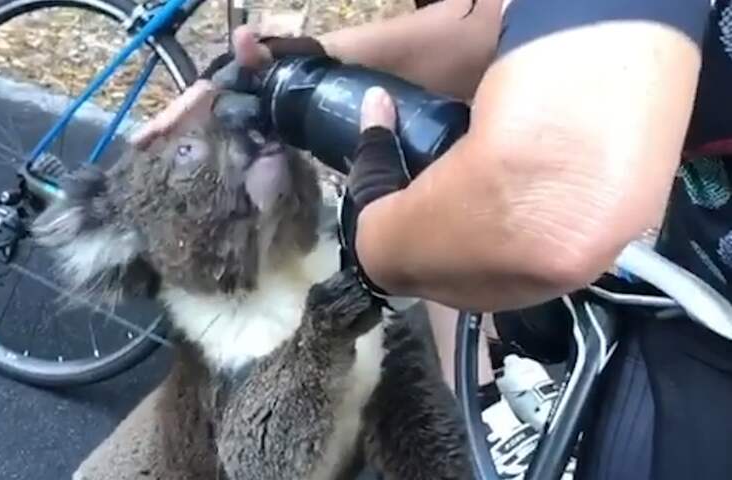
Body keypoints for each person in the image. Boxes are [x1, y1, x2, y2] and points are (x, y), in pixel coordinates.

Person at [132, 0, 732, 478]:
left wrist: (375, 249)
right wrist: (316, 61)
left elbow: (544, 205)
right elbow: (509, 19)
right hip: (697, 310)